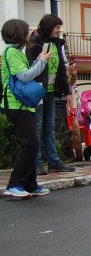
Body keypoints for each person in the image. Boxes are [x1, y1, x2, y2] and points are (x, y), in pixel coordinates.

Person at [1, 19, 51, 199]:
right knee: (29, 143)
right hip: (16, 104)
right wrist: (42, 62)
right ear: (18, 33)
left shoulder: (15, 51)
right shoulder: (12, 52)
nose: (28, 34)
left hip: (23, 104)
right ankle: (14, 184)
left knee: (31, 143)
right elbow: (24, 77)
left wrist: (37, 61)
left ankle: (29, 184)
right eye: (25, 31)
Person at [27, 14, 76, 175]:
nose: (59, 31)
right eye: (57, 28)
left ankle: (54, 161)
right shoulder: (35, 42)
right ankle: (36, 162)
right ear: (49, 27)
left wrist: (67, 91)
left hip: (51, 91)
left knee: (50, 126)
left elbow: (61, 68)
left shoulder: (56, 44)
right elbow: (30, 66)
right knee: (38, 126)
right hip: (38, 90)